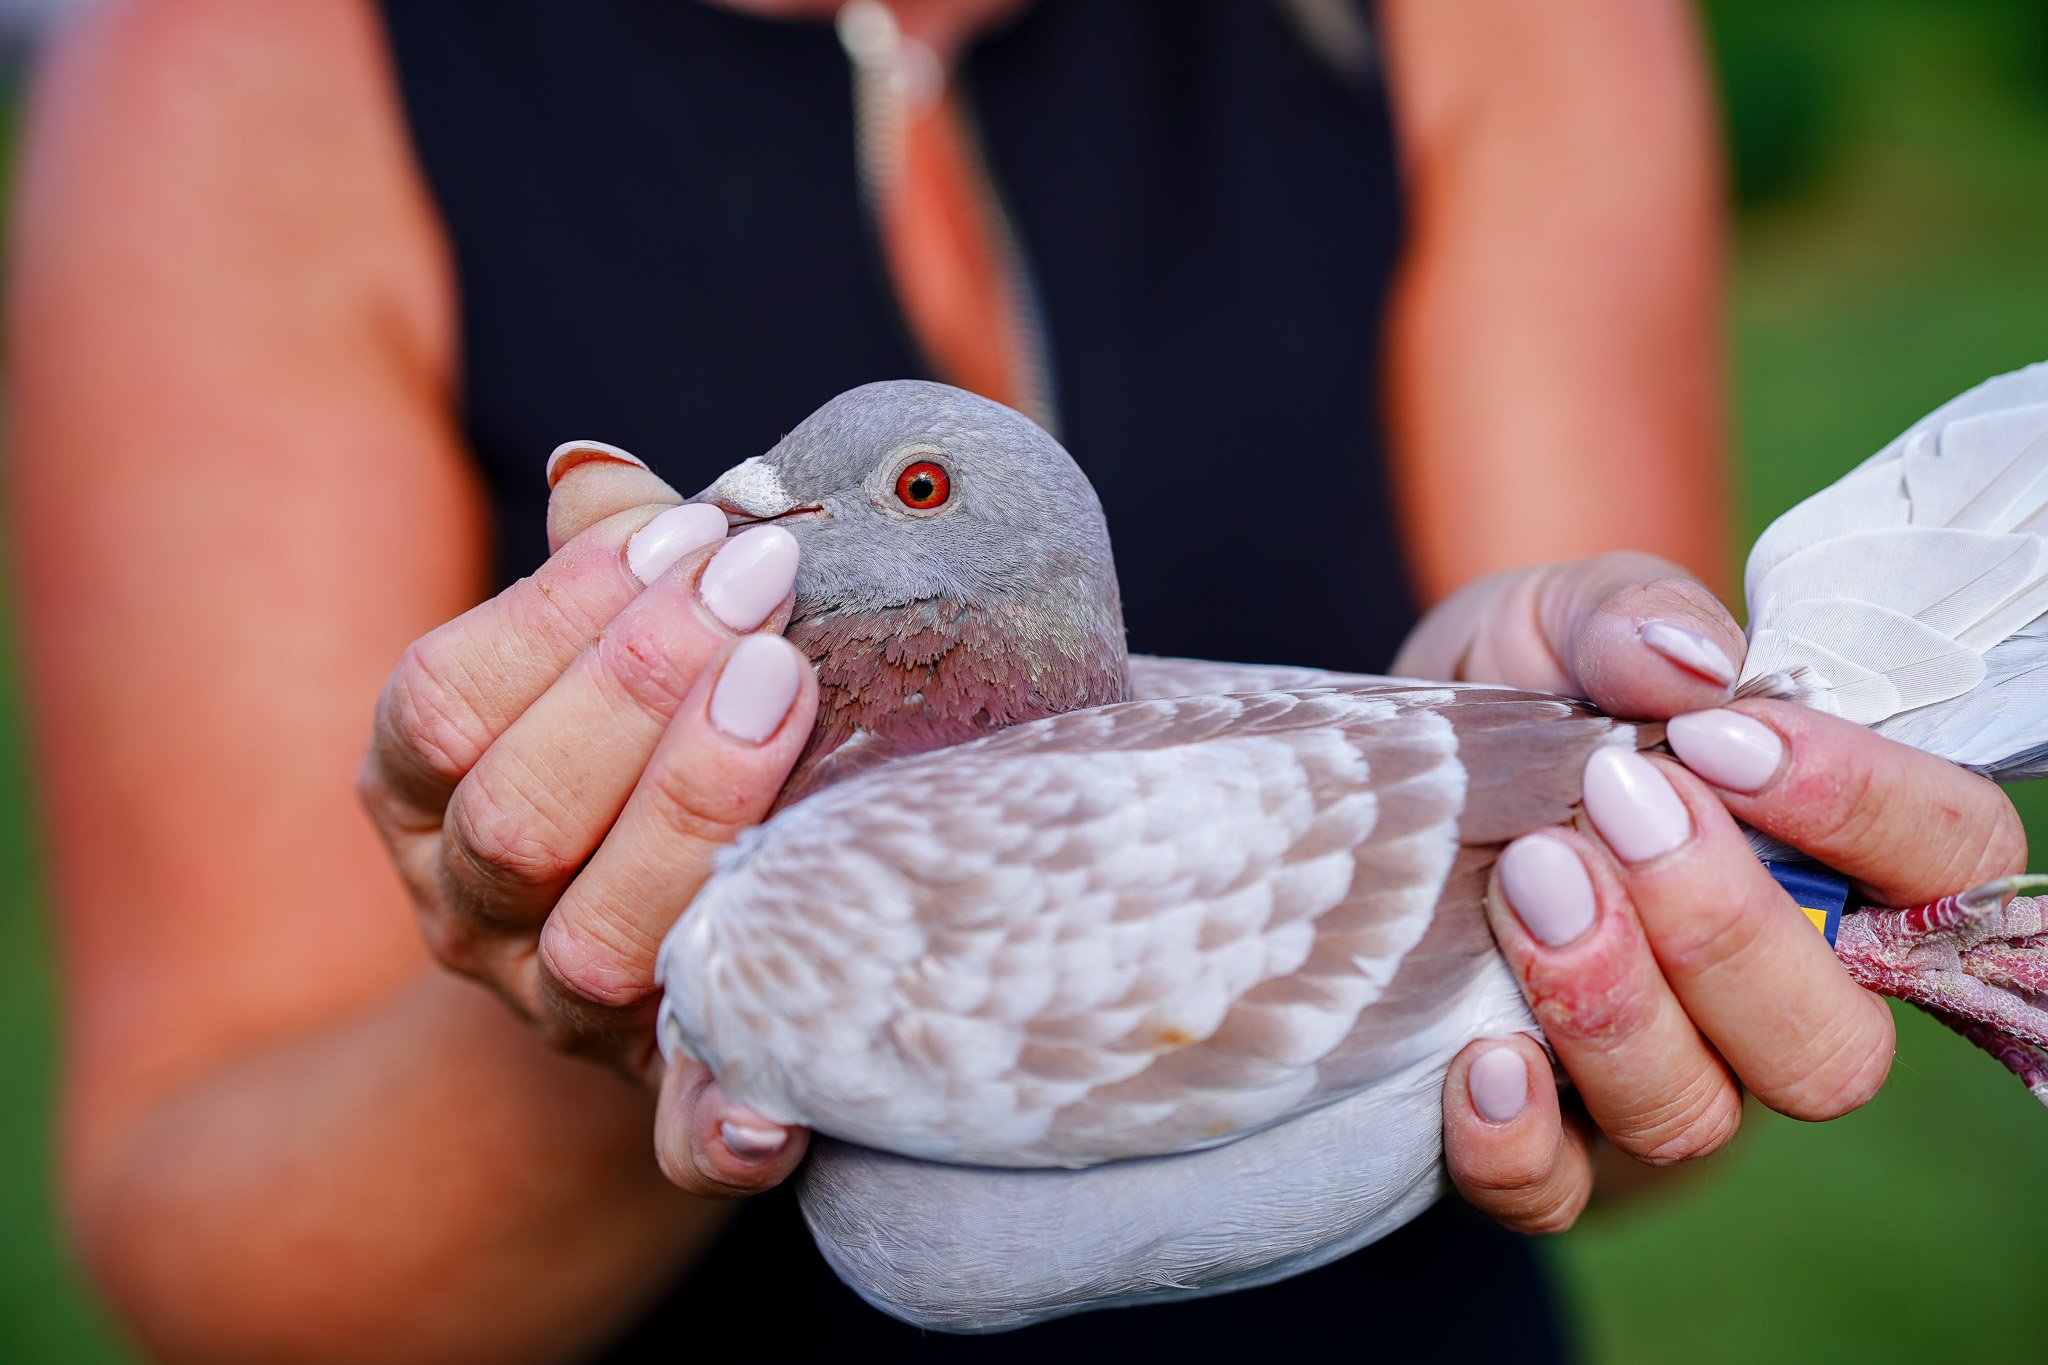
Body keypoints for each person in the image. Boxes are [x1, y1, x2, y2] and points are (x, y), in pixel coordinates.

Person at [8, 0, 2023, 1360]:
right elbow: (200, 1225)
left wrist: (1662, 901)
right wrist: (626, 984)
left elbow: (1645, 1084)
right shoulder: (244, 77)